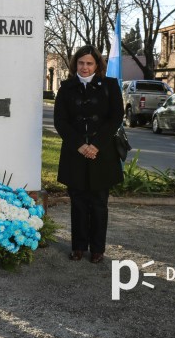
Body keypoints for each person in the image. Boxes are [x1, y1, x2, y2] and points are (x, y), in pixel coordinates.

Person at [53, 46, 124, 264]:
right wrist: (80, 145)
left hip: (102, 154)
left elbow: (116, 118)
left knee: (99, 203)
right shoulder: (66, 88)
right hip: (75, 154)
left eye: (89, 63)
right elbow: (60, 121)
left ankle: (97, 249)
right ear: (76, 64)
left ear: (97, 65)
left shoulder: (110, 86)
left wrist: (95, 145)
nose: (85, 67)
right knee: (78, 203)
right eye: (81, 63)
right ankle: (78, 247)